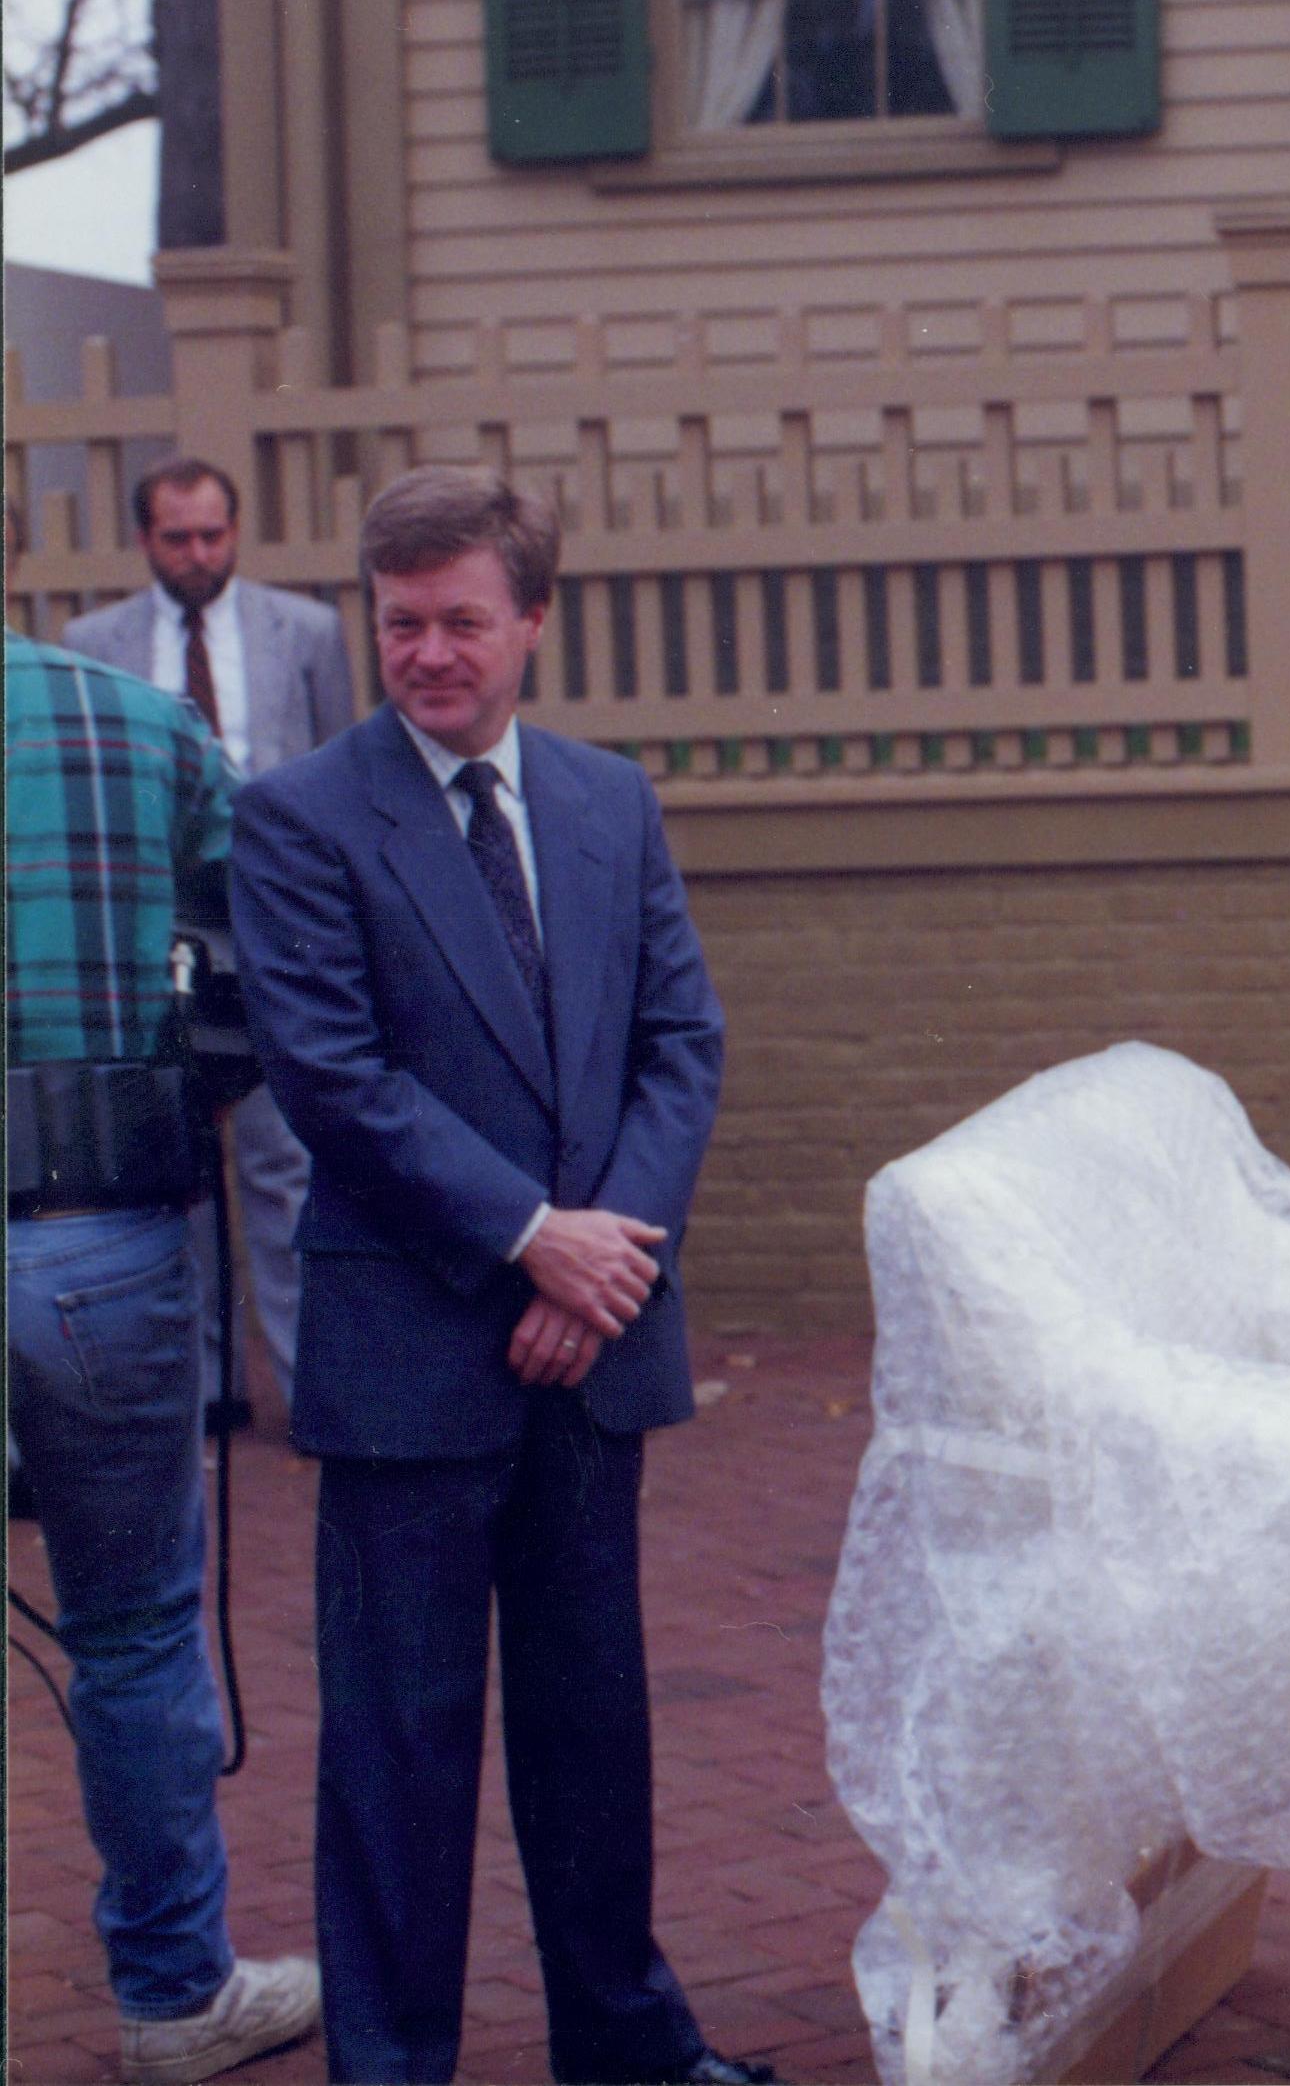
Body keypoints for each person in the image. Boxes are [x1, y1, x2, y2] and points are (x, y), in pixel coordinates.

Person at [227, 467, 771, 2085]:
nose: (429, 653)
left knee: (593, 1727)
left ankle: (630, 2049)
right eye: (401, 623)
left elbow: (684, 1041)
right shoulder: (302, 815)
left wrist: (600, 1260)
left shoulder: (610, 803)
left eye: (464, 620)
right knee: (399, 1748)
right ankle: (393, 2067)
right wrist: (534, 1236)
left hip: (589, 1348)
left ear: (533, 618)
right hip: (412, 1352)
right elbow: (330, 1077)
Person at [8, 579, 326, 2080]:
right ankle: (175, 1995)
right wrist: (182, 1098)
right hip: (98, 1228)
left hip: (97, 1220)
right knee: (132, 1624)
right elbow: (265, 957)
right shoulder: (140, 724)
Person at [66, 456, 362, 1420]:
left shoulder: (307, 632)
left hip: (279, 930)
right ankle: (205, 1388)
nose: (198, 555)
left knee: (284, 1164)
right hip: (158, 936)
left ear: (236, 531)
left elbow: (341, 776)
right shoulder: (94, 640)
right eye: (176, 537)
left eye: (213, 534)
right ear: (145, 540)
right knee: (179, 1164)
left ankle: (313, 1383)